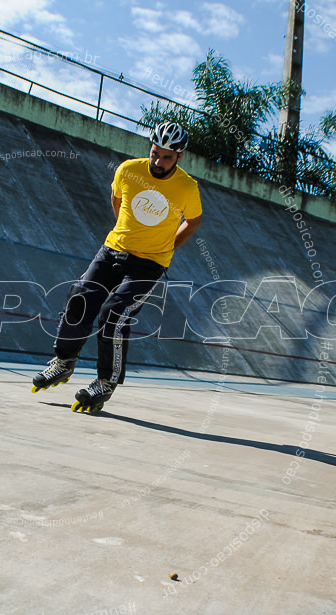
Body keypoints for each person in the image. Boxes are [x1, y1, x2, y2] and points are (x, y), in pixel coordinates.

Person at [31, 122, 203, 412]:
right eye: (154, 153)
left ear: (179, 156)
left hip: (149, 264)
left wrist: (169, 245)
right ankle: (63, 362)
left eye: (166, 157)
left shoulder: (187, 187)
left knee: (114, 314)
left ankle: (105, 383)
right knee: (80, 296)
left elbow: (194, 221)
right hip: (114, 249)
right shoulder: (128, 170)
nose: (158, 162)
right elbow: (117, 199)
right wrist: (126, 231)